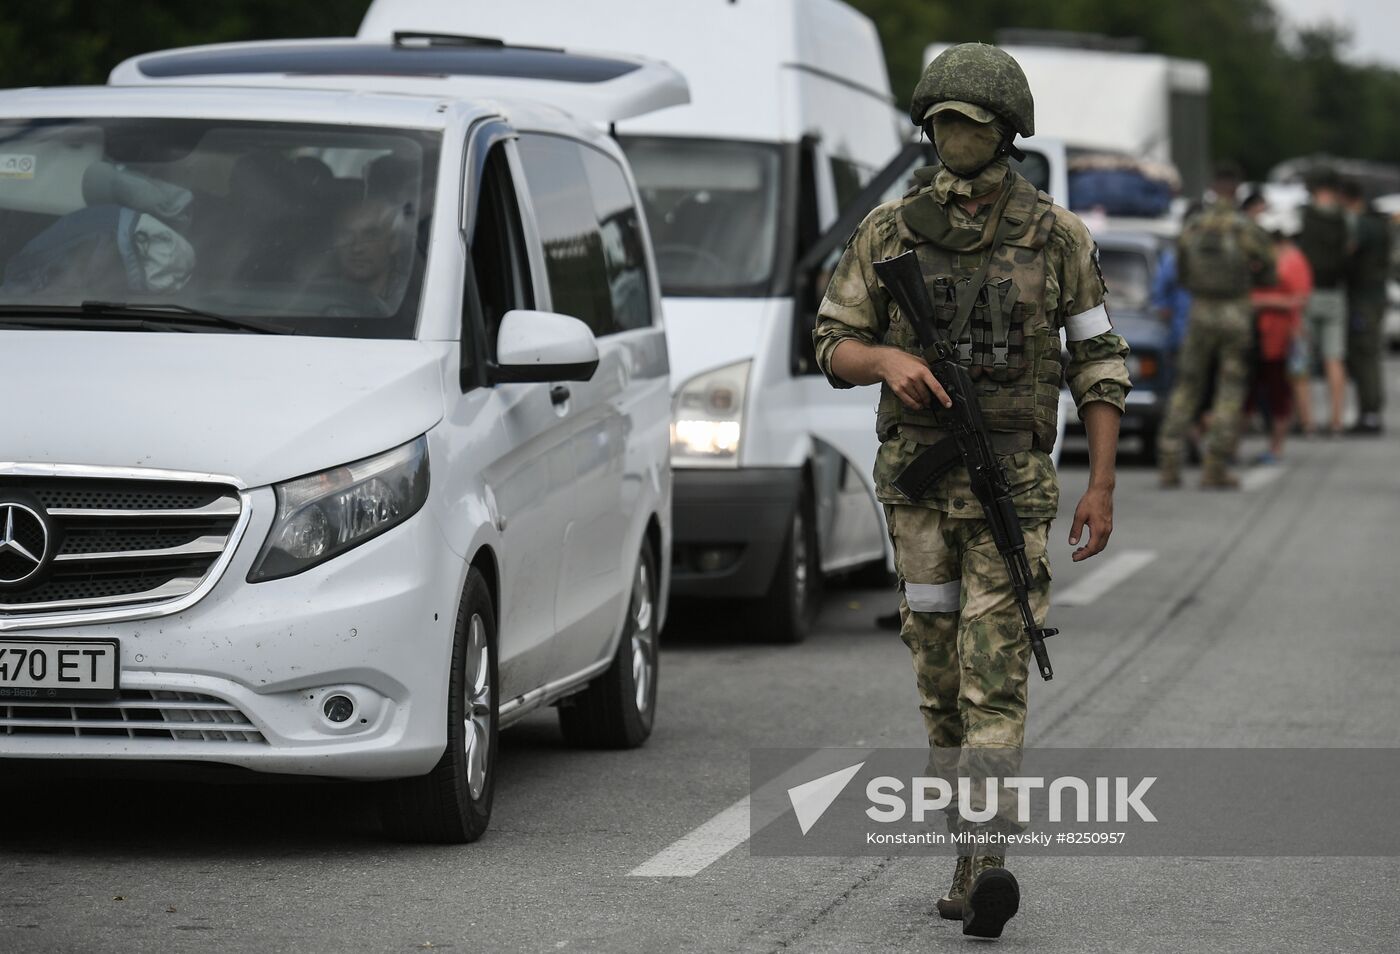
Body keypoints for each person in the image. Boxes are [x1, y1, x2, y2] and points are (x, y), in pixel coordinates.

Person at [812, 43, 1131, 940]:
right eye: (945, 122)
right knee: (939, 681)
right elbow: (832, 343)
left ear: (1005, 135)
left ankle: (988, 859)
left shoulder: (1058, 237)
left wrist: (1100, 487)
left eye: (972, 125)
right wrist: (889, 361)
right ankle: (966, 855)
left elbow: (1101, 366)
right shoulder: (889, 231)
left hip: (1013, 486)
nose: (955, 136)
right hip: (917, 496)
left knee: (995, 677)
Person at [1156, 162, 1275, 488]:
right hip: (1235, 310)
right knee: (1229, 388)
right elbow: (1269, 270)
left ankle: (1169, 461)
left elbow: (1179, 271)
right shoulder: (1245, 228)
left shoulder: (1193, 226)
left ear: (1212, 187)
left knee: (1187, 385)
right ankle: (1215, 466)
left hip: (1199, 310)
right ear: (1236, 189)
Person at [1249, 209, 1313, 461]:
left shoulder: (1294, 260)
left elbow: (1300, 299)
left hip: (1281, 337)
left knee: (1279, 393)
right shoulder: (1262, 257)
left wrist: (1261, 301)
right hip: (1256, 336)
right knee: (1250, 393)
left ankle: (1276, 447)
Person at [1294, 171, 1353, 436]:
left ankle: (1307, 421)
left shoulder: (1304, 215)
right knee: (1334, 358)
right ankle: (1337, 420)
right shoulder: (1344, 219)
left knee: (1302, 357)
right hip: (1335, 292)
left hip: (1305, 293)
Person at [1340, 179, 1390, 435]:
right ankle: (1370, 411)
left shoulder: (1361, 225)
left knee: (1363, 356)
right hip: (1374, 296)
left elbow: (1348, 253)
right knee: (1369, 354)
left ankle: (1369, 413)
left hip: (1363, 299)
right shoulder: (1379, 222)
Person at [332, 199, 404, 310]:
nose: (357, 248)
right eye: (347, 235)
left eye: (370, 236)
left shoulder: (418, 300)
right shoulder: (315, 295)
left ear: (393, 242)